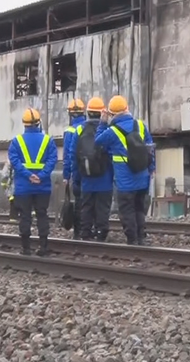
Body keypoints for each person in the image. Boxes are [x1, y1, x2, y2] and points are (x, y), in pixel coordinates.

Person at [95, 95, 155, 246]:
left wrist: (102, 123)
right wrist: (152, 169)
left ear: (112, 114)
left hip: (125, 180)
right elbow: (150, 149)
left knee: (127, 210)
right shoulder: (140, 125)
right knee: (139, 208)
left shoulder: (112, 131)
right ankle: (141, 237)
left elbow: (97, 142)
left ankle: (132, 239)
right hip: (142, 177)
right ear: (127, 109)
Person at [7, 108, 56, 256]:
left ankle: (26, 248)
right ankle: (43, 247)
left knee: (25, 216)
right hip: (43, 186)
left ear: (24, 124)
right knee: (42, 214)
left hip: (24, 186)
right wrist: (41, 175)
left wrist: (28, 175)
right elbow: (52, 159)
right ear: (38, 123)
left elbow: (14, 162)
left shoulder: (16, 141)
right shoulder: (48, 140)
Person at [66, 97, 114, 240]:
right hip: (104, 178)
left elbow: (73, 156)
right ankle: (101, 233)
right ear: (102, 113)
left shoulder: (79, 130)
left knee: (86, 207)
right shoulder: (108, 130)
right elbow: (112, 155)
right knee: (103, 208)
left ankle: (85, 233)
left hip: (86, 177)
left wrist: (76, 178)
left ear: (87, 112)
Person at [61, 98, 86, 239]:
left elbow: (67, 155)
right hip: (93, 171)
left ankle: (78, 233)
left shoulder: (70, 131)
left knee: (78, 202)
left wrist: (66, 175)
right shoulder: (89, 127)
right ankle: (90, 231)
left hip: (77, 172)